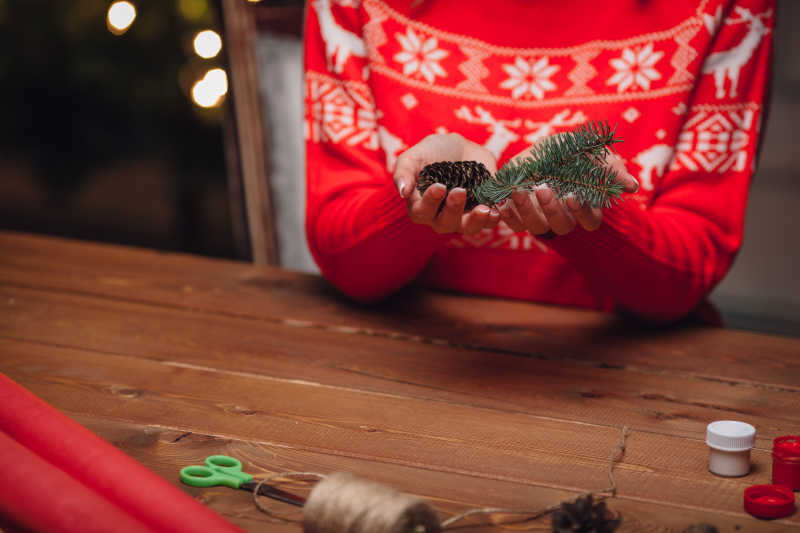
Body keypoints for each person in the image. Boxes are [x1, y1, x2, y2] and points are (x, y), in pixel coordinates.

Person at [303, 0, 774, 321]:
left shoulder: (724, 8)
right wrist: (418, 202)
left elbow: (689, 270)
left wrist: (597, 213)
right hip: (401, 366)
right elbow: (343, 253)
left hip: (630, 379)